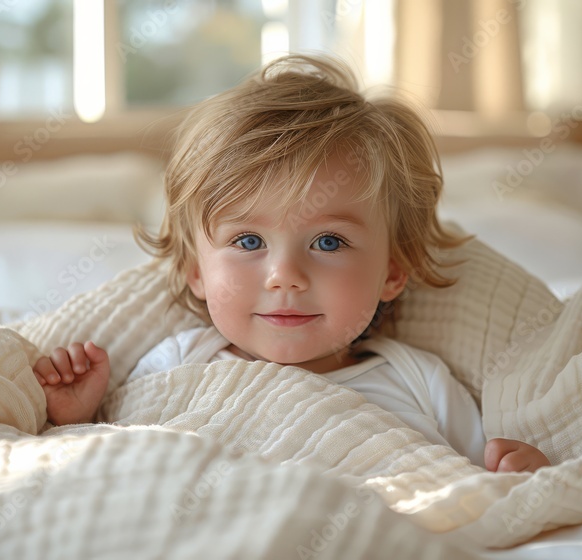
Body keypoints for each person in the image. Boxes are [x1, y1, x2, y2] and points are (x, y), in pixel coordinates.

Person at [31, 54, 550, 474]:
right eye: (249, 240)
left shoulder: (420, 381)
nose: (285, 275)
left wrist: (517, 473)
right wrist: (76, 419)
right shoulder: (178, 362)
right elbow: (116, 464)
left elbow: (474, 487)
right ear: (196, 270)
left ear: (393, 270)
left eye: (327, 242)